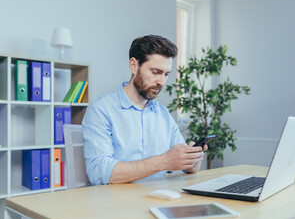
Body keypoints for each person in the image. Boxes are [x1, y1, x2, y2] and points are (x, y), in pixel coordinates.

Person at [82, 35, 206, 185]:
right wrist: (163, 161)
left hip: (158, 198)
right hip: (116, 204)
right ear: (134, 66)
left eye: (166, 74)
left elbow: (189, 169)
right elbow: (98, 173)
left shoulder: (163, 114)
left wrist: (192, 158)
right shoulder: (100, 110)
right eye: (155, 72)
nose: (161, 82)